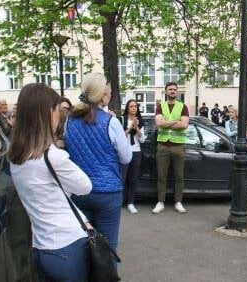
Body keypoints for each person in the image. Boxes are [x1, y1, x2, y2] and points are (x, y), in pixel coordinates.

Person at [8, 83, 92, 281]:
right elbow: (85, 186)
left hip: (40, 246)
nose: (60, 115)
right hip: (67, 246)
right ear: (49, 112)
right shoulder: (52, 157)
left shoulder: (15, 156)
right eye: (57, 110)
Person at [65, 73, 133, 251]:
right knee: (107, 247)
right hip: (107, 193)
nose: (110, 95)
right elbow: (126, 157)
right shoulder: (111, 122)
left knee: (85, 243)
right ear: (103, 96)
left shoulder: (69, 121)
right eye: (109, 92)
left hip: (79, 191)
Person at [153, 82, 189, 214]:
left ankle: (178, 202)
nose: (172, 91)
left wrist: (166, 123)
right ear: (166, 91)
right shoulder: (160, 106)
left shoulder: (183, 106)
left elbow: (184, 125)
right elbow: (158, 123)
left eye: (174, 89)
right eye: (170, 89)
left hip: (178, 146)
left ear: (177, 92)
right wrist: (175, 121)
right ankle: (160, 202)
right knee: (161, 176)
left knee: (179, 176)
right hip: (162, 145)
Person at [122, 99, 145, 214]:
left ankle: (131, 203)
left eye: (135, 106)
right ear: (127, 108)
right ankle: (121, 201)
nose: (134, 108)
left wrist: (136, 128)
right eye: (131, 106)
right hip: (124, 151)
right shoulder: (122, 120)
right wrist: (131, 127)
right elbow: (121, 137)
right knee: (123, 178)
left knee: (133, 178)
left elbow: (142, 139)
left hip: (136, 151)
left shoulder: (140, 121)